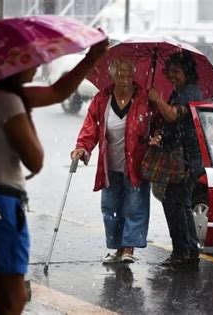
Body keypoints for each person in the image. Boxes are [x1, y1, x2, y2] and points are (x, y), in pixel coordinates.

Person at [0, 39, 108, 315]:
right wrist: (26, 118)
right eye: (28, 59)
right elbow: (35, 160)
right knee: (12, 301)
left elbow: (57, 92)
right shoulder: (10, 102)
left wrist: (90, 58)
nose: (37, 64)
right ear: (12, 67)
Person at [71, 58, 151, 265]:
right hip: (110, 164)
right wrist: (82, 147)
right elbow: (90, 126)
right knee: (111, 207)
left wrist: (156, 135)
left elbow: (156, 122)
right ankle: (117, 248)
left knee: (134, 206)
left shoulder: (143, 98)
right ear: (113, 77)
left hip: (135, 165)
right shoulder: (102, 98)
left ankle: (129, 248)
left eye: (129, 76)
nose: (125, 80)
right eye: (120, 75)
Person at [147, 51, 204, 267]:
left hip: (188, 159)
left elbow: (173, 115)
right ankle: (186, 251)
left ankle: (185, 252)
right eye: (170, 72)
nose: (172, 76)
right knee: (177, 202)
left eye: (177, 72)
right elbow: (171, 125)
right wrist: (159, 136)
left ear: (187, 72)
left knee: (177, 202)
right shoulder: (178, 92)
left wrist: (157, 99)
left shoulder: (190, 93)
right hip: (180, 158)